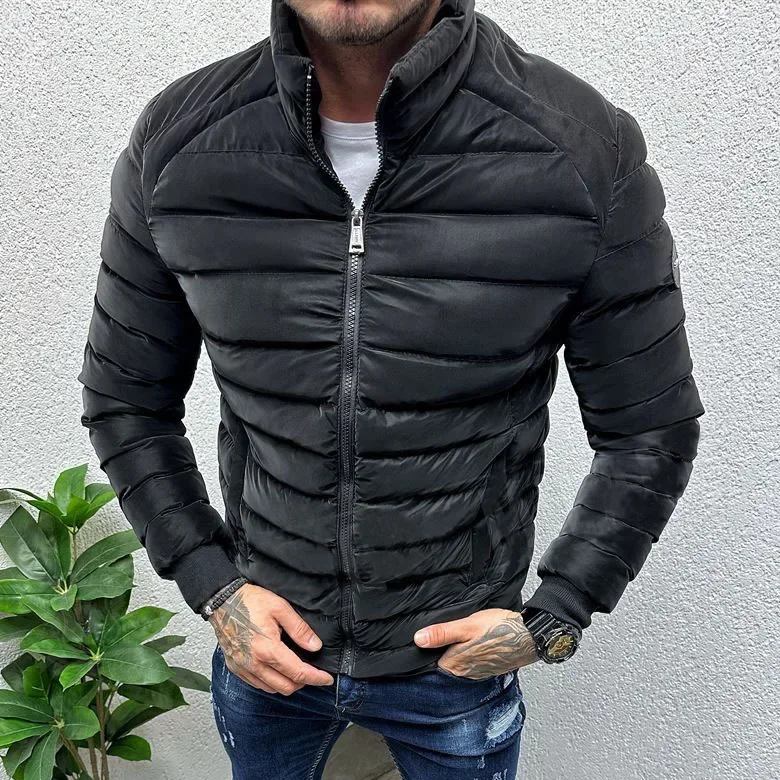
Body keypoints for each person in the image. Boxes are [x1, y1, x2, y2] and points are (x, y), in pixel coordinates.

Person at [77, 0, 705, 777]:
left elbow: (650, 428)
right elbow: (126, 402)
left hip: (453, 676)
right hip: (268, 656)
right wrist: (215, 588)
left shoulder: (580, 148)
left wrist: (556, 617)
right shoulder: (179, 142)